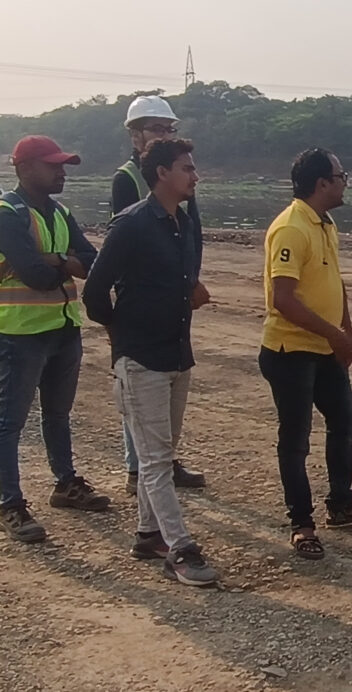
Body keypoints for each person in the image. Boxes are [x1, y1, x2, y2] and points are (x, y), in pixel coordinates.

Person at [83, 138, 217, 586]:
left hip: (177, 354)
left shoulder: (181, 223)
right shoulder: (132, 225)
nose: (195, 175)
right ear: (161, 173)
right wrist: (121, 332)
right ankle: (180, 548)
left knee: (161, 454)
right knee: (156, 461)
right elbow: (94, 292)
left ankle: (147, 533)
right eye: (187, 167)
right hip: (141, 360)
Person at [259, 148, 352, 561]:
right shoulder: (292, 227)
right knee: (295, 439)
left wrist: (345, 331)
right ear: (322, 184)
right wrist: (335, 334)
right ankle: (302, 523)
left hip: (324, 348)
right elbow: (283, 299)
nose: (345, 181)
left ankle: (341, 503)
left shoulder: (325, 224)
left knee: (344, 420)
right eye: (341, 174)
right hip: (291, 351)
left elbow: (335, 281)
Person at [0, 136, 110, 544]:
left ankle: (66, 483)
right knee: (9, 423)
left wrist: (56, 260)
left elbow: (95, 263)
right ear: (25, 168)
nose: (62, 172)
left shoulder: (59, 211)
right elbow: (36, 276)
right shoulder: (7, 213)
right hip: (20, 332)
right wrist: (65, 264)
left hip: (63, 327)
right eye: (53, 165)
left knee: (58, 415)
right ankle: (10, 503)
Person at [112, 94, 207, 494]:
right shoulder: (128, 179)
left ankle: (163, 459)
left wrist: (191, 280)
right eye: (155, 128)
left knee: (169, 378)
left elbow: (191, 231)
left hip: (176, 292)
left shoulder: (178, 173)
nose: (163, 134)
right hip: (145, 296)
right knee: (142, 378)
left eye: (168, 128)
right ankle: (140, 468)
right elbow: (128, 243)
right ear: (135, 135)